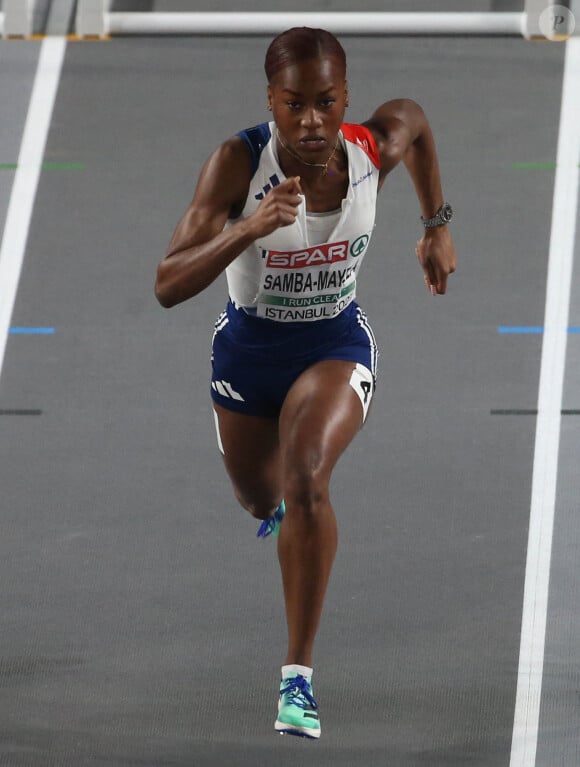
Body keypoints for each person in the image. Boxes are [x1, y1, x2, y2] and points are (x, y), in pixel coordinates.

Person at [155, 26, 457, 740]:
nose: (313, 121)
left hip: (335, 342)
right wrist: (248, 227)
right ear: (272, 102)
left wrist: (436, 226)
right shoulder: (237, 162)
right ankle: (278, 506)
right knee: (261, 496)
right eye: (296, 105)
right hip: (249, 352)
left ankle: (298, 678)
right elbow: (168, 283)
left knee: (307, 476)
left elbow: (413, 118)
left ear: (344, 98)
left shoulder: (367, 150)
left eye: (326, 102)